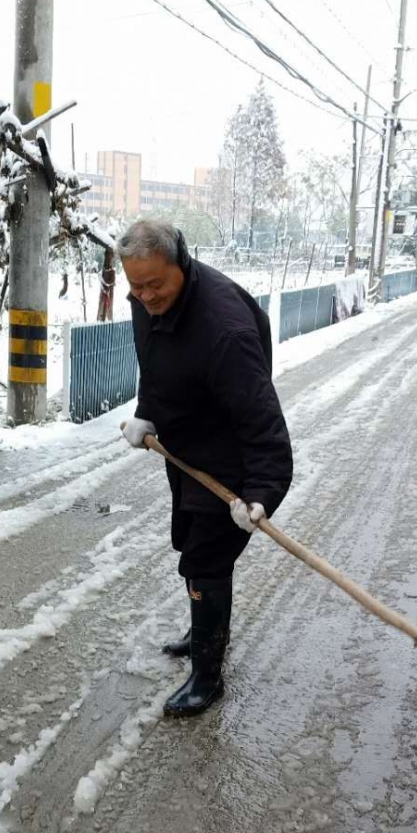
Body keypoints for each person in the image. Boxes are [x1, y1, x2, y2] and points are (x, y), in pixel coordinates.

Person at [119, 219, 293, 717]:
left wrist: (260, 492)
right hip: (187, 446)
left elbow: (263, 424)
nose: (145, 295)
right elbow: (155, 358)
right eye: (136, 285)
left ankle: (207, 676)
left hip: (231, 456)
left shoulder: (224, 332)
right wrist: (148, 408)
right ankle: (203, 631)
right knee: (189, 541)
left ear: (183, 264)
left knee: (206, 560)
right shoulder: (146, 297)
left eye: (155, 284)